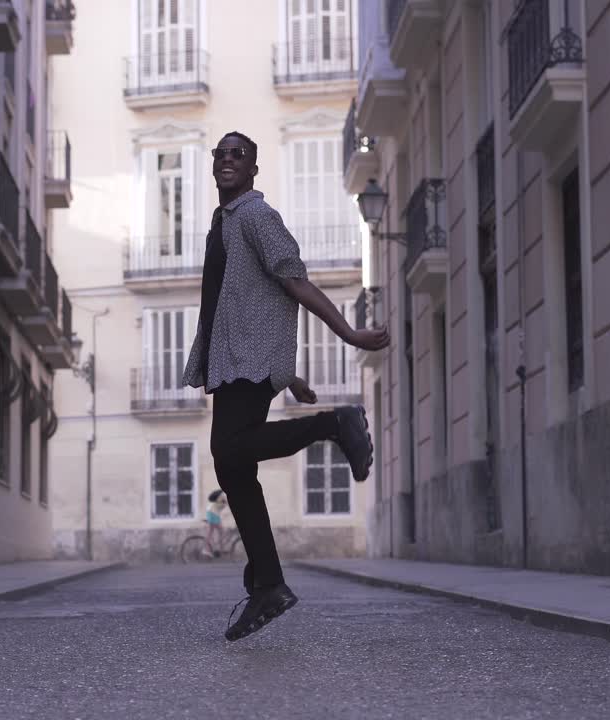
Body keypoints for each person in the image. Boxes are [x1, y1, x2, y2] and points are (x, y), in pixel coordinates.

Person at [182, 131, 390, 642]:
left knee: (229, 452)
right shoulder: (224, 222)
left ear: (253, 169)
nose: (228, 159)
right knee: (234, 469)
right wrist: (288, 373)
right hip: (238, 360)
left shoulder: (256, 216)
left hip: (245, 364)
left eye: (239, 154)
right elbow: (245, 300)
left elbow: (294, 281)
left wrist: (349, 334)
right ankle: (268, 583)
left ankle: (333, 425)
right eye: (221, 153)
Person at [203, 489, 228, 557]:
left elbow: (221, 504)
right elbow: (223, 503)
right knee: (220, 531)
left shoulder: (222, 494)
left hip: (212, 512)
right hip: (213, 513)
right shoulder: (223, 495)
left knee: (215, 532)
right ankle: (208, 549)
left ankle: (215, 548)